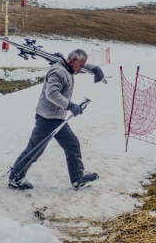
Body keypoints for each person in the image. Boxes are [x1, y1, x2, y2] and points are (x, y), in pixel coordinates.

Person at [8, 49, 104, 191]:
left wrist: (95, 69)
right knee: (34, 149)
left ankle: (78, 177)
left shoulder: (68, 67)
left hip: (56, 117)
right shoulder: (58, 72)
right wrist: (71, 106)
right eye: (81, 65)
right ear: (73, 61)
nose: (82, 68)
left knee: (72, 144)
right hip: (47, 118)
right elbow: (51, 94)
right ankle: (15, 177)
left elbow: (78, 68)